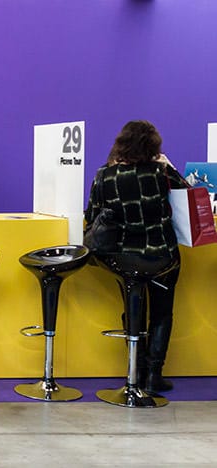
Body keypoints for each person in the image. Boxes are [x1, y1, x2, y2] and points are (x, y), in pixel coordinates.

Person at [84, 120, 190, 394]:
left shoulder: (104, 175)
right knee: (162, 313)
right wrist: (170, 166)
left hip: (123, 259)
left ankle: (135, 369)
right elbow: (193, 199)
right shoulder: (161, 172)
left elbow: (91, 217)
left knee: (133, 307)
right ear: (153, 147)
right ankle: (154, 374)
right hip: (162, 257)